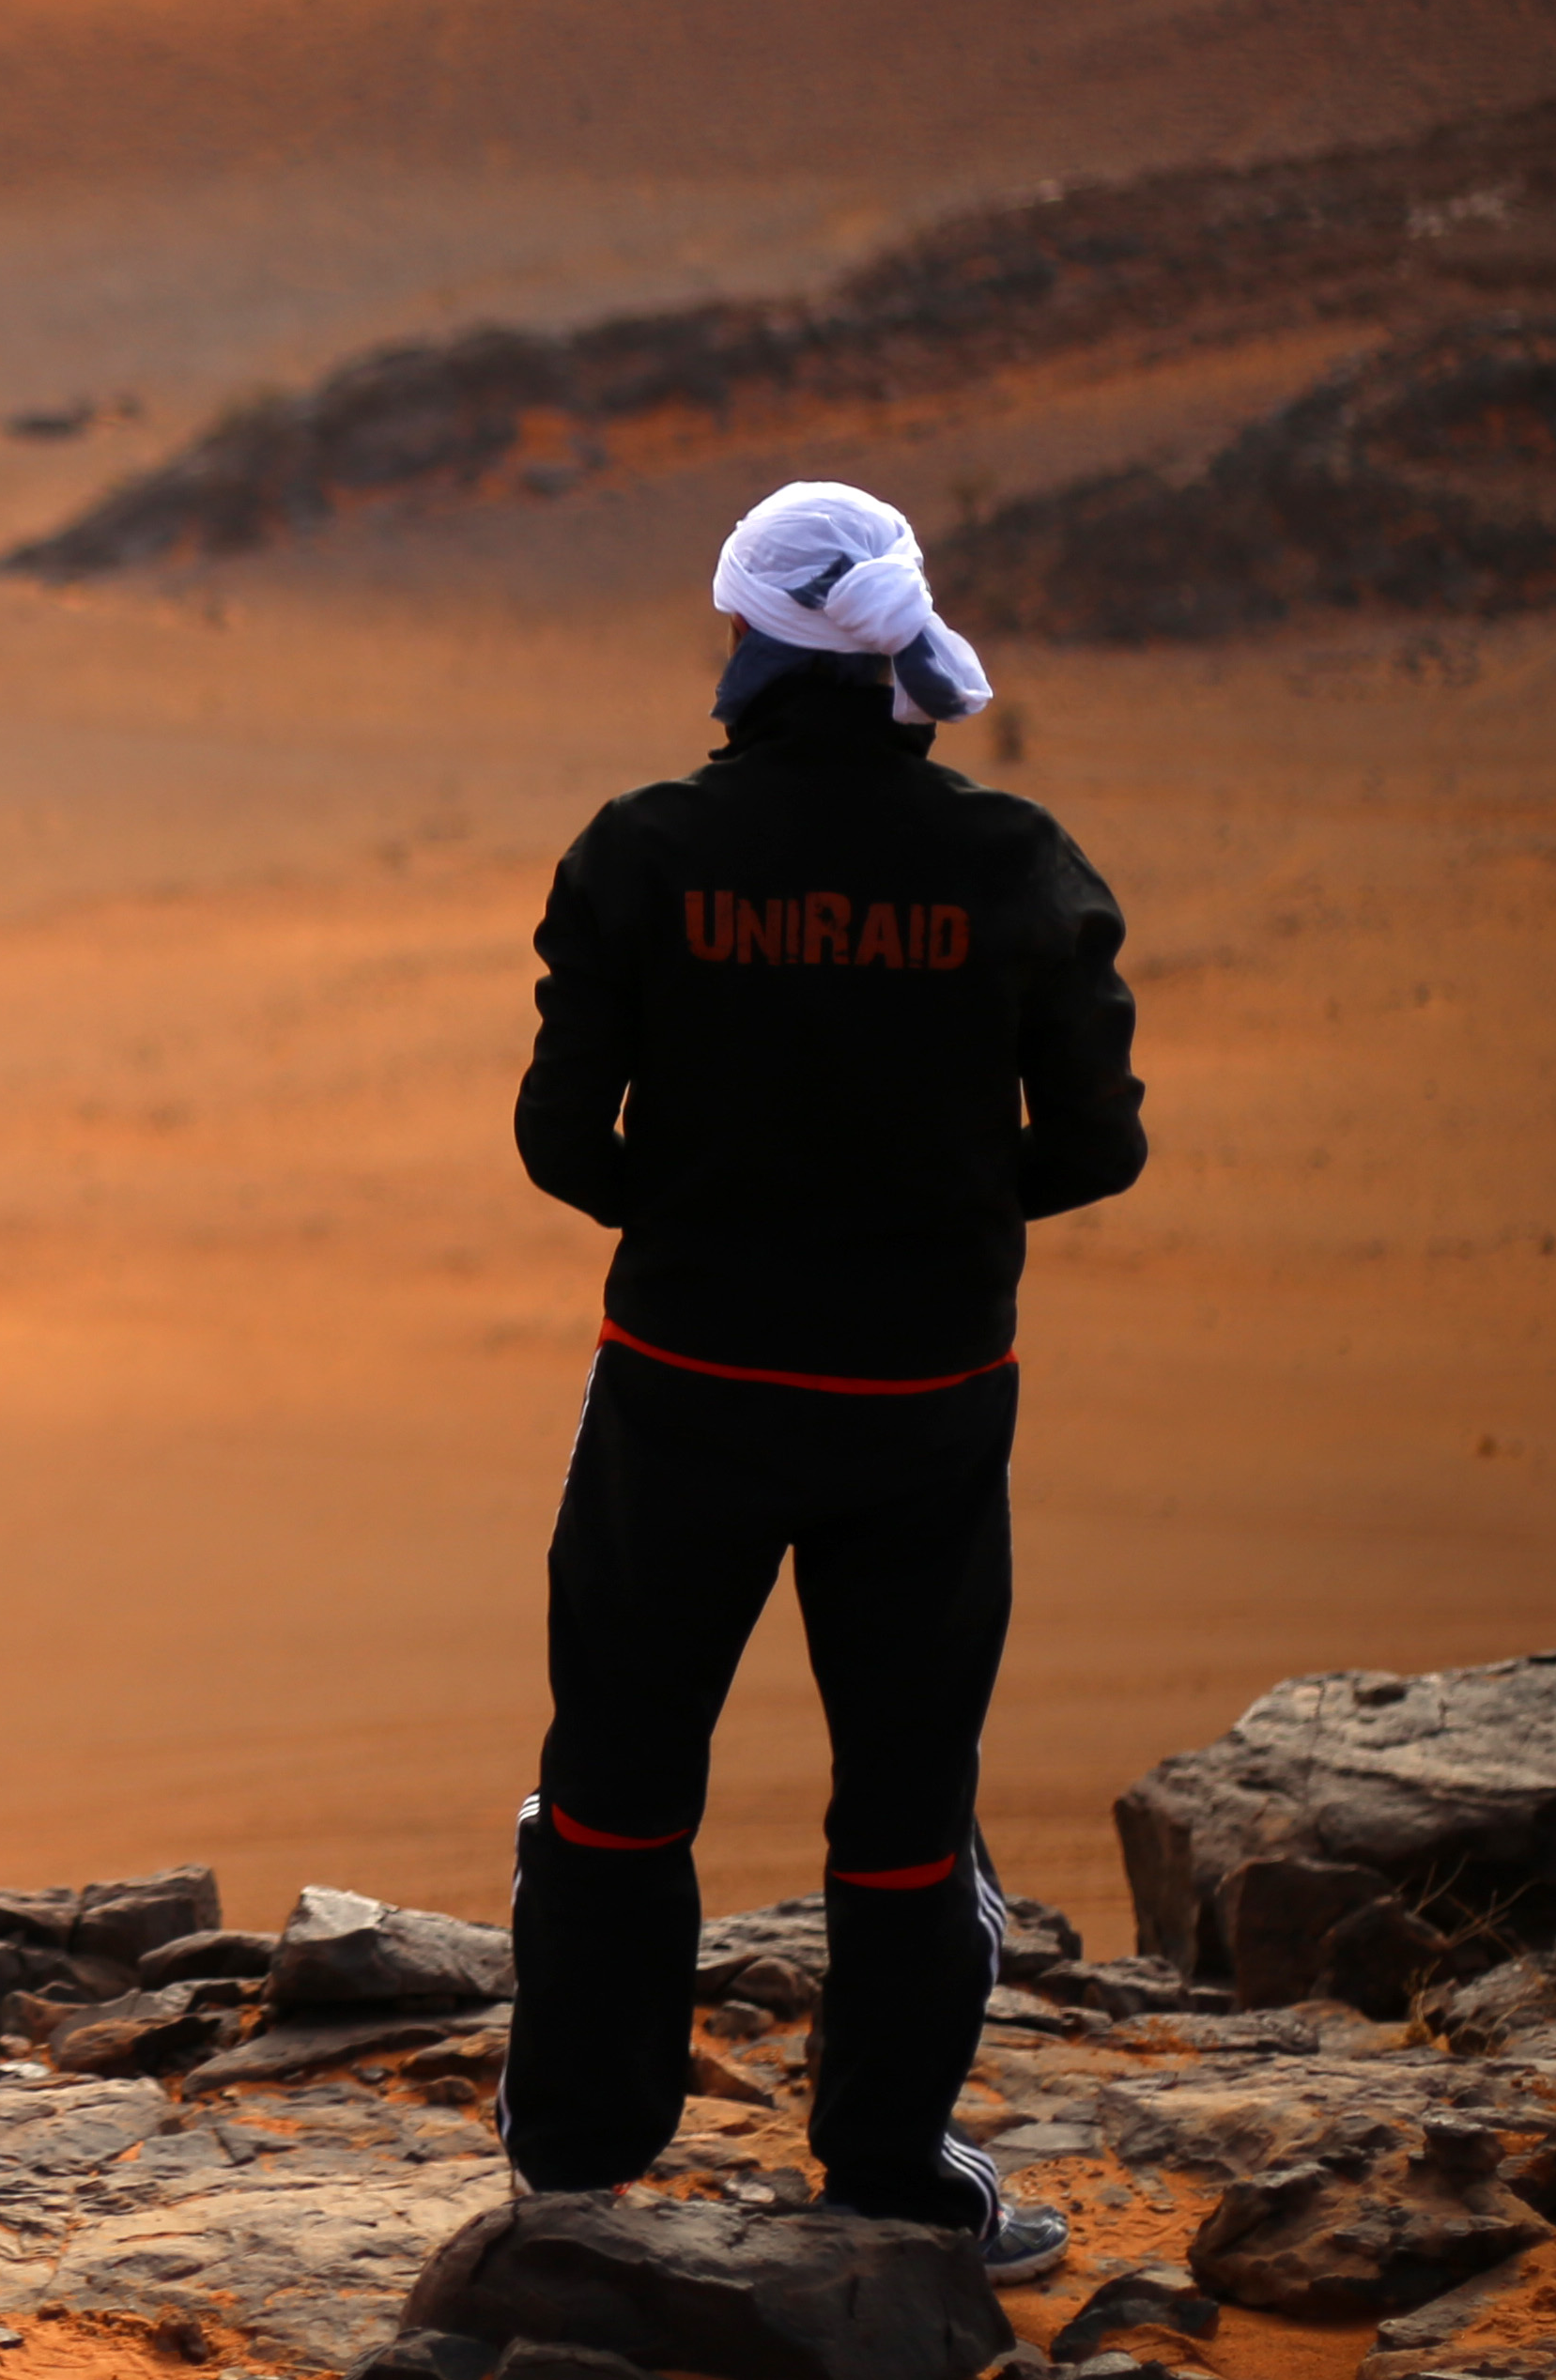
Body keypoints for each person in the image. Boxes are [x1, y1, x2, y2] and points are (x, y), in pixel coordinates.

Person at [498, 481, 1147, 2285]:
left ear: (744, 641)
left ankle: (575, 2160)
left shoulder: (640, 850)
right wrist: (924, 1223)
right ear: (888, 652)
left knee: (622, 1770)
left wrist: (716, 1219)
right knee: (907, 1794)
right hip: (924, 1405)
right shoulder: (1016, 861)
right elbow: (1096, 1149)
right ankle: (888, 2173)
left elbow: (561, 1138)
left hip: (686, 1385)